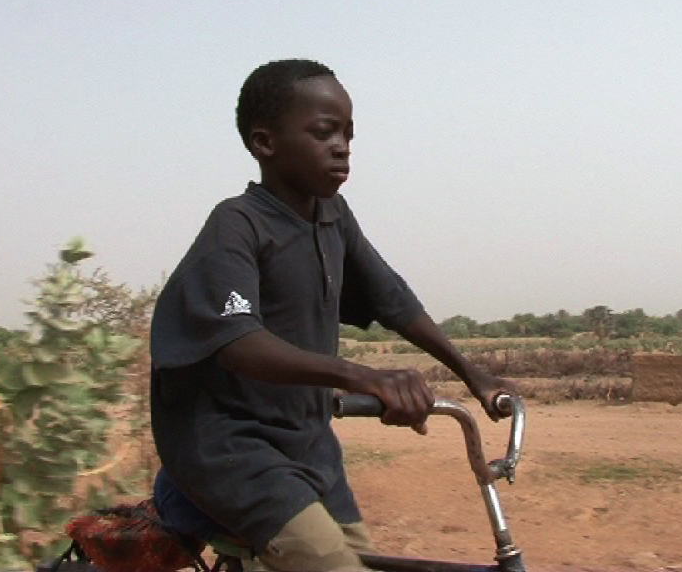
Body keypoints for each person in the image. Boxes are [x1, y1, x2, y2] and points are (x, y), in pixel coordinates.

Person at [149, 58, 517, 572]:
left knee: (361, 559)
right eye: (324, 132)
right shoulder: (238, 223)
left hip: (308, 444)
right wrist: (361, 376)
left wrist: (473, 374)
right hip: (232, 447)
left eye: (348, 133)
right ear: (265, 143)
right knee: (332, 565)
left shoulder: (334, 218)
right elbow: (237, 340)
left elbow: (394, 300)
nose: (342, 146)